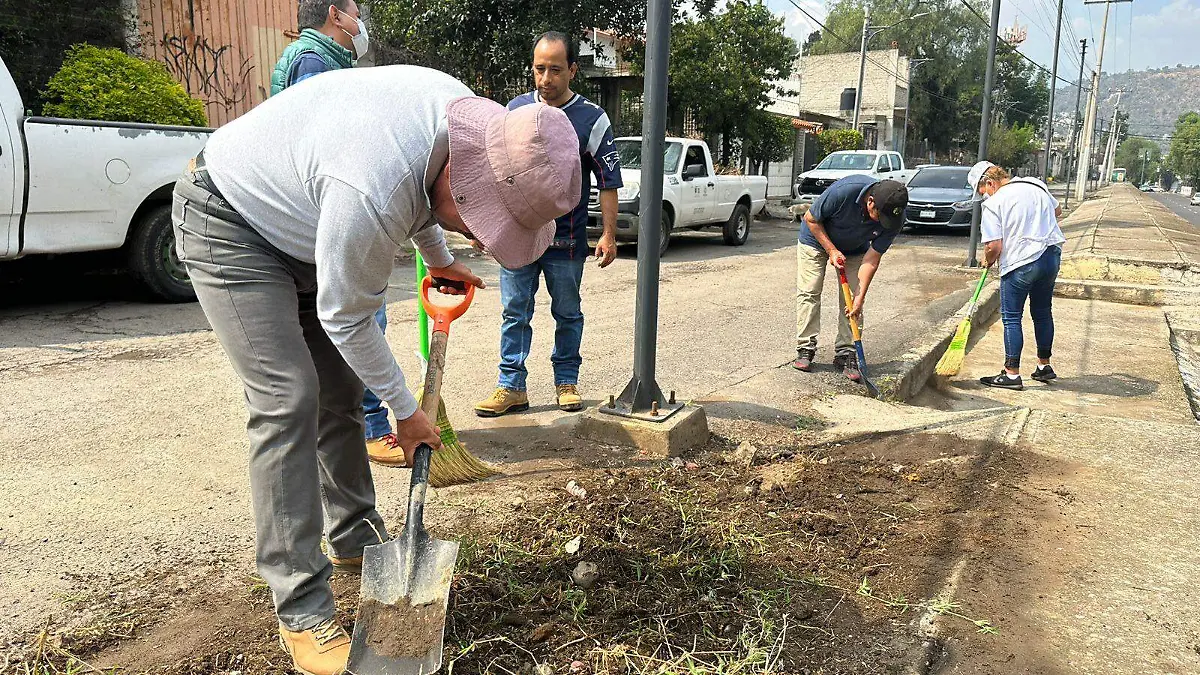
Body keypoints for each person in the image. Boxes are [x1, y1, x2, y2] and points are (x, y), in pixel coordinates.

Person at [172, 65, 580, 675]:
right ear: (464, 177)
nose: (476, 232)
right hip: (229, 220)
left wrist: (441, 258)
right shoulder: (374, 184)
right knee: (289, 398)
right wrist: (407, 411)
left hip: (308, 225)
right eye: (480, 220)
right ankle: (303, 607)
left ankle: (355, 535)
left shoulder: (464, 125)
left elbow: (429, 194)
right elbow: (346, 315)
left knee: (337, 391)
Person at [270, 1, 405, 464]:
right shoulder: (314, 63)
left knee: (346, 321)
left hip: (315, 214)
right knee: (362, 317)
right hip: (325, 212)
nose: (360, 23)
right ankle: (370, 427)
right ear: (336, 14)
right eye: (356, 12)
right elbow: (326, 142)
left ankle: (352, 424)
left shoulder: (318, 58)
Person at [474, 31, 623, 417]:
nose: (546, 78)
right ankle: (511, 386)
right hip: (519, 236)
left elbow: (608, 180)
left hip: (567, 240)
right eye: (540, 69)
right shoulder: (516, 109)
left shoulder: (592, 118)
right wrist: (485, 227)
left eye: (555, 69)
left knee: (567, 312)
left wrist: (607, 234)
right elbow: (496, 172)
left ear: (572, 70)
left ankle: (566, 382)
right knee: (514, 311)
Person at [792, 175, 909, 380]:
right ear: (870, 201)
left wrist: (860, 297)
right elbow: (811, 218)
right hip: (816, 239)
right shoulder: (844, 192)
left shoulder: (894, 217)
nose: (883, 223)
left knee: (853, 299)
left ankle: (846, 352)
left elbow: (872, 259)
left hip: (857, 249)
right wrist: (831, 250)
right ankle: (806, 346)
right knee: (809, 291)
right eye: (879, 216)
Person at [968, 161, 1065, 390]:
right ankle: (1044, 366)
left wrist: (988, 260)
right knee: (1042, 312)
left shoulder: (994, 203)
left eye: (982, 192)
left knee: (1012, 317)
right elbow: (1057, 211)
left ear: (990, 183)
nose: (983, 197)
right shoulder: (1035, 184)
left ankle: (1011, 374)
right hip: (1050, 256)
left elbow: (994, 245)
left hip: (1021, 263)